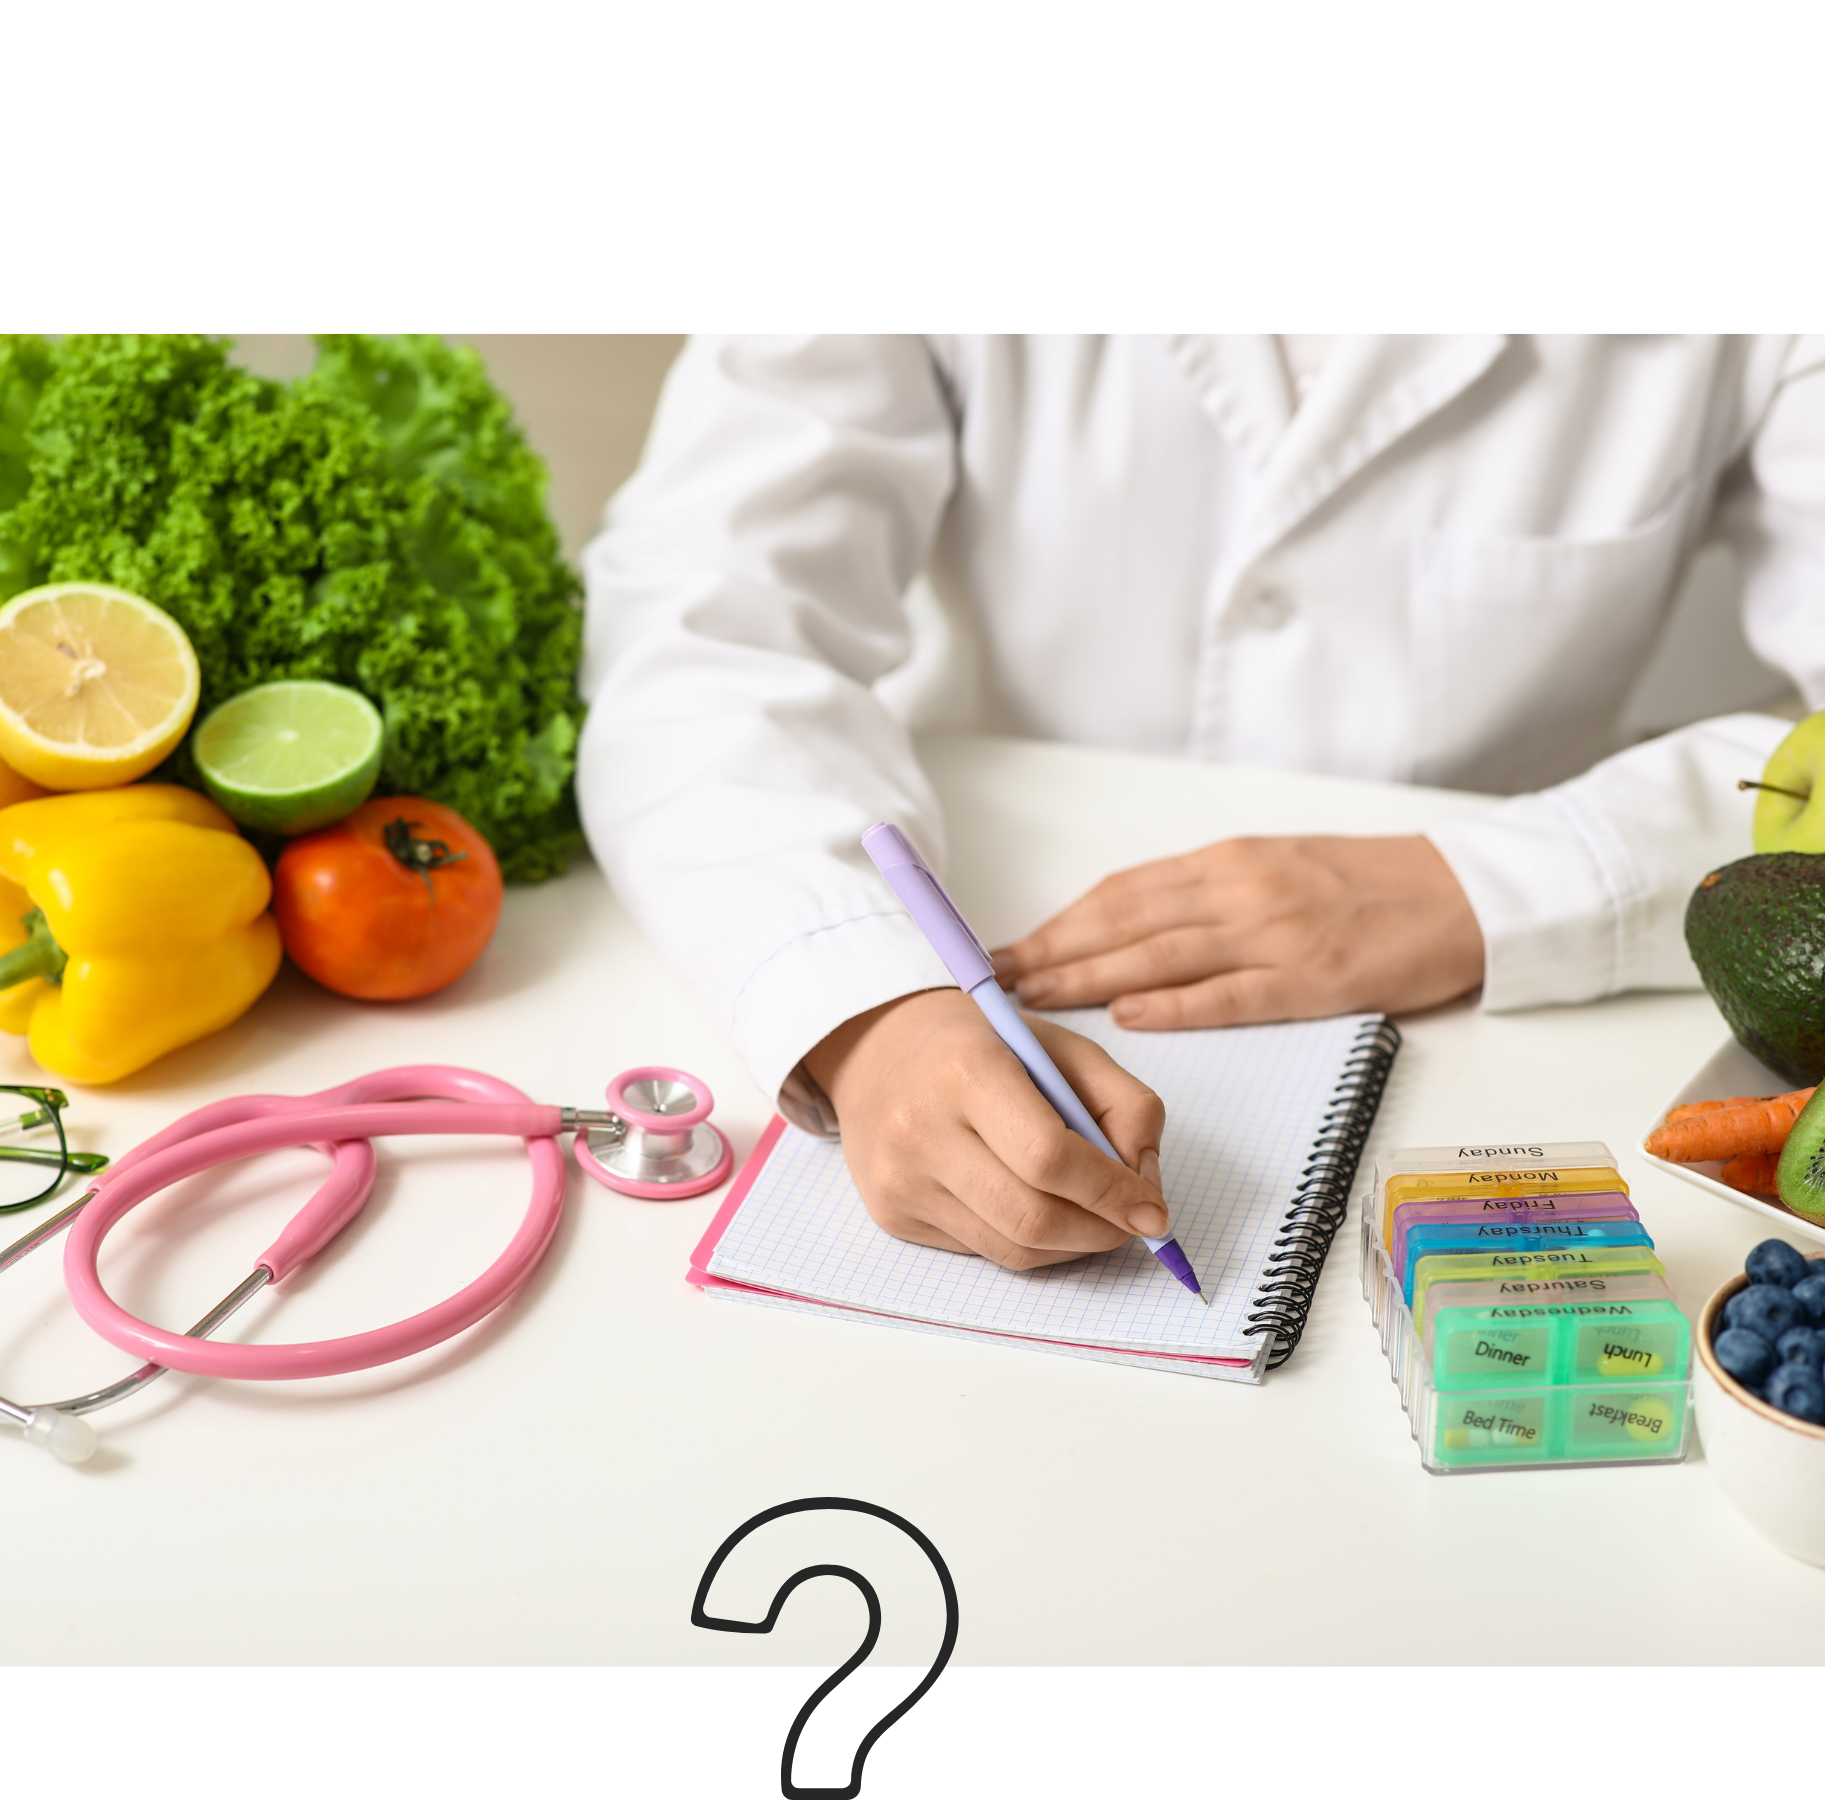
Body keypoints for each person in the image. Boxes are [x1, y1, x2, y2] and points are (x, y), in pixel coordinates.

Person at [575, 337, 1825, 1272]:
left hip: (1488, 1024)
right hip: (992, 909)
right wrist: (857, 1003)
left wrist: (1519, 876)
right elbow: (699, 622)